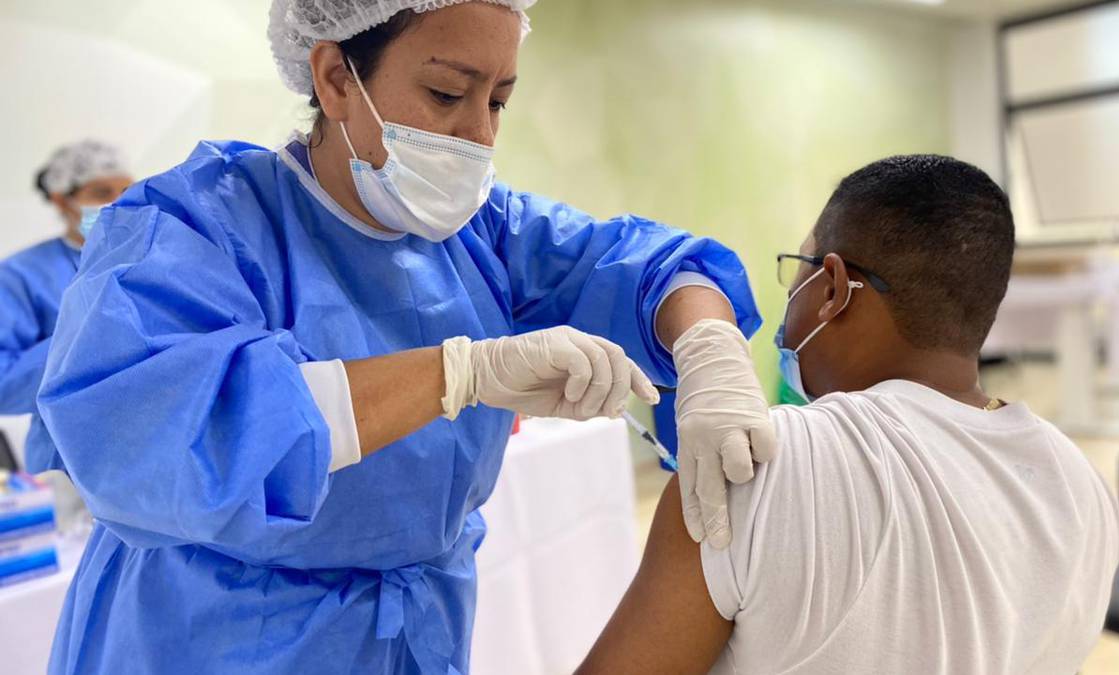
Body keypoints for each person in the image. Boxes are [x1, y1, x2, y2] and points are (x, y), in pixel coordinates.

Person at [35, 1, 778, 673]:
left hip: (416, 633)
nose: (480, 135)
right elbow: (168, 432)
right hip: (212, 636)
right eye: (448, 95)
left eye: (500, 101)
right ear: (333, 79)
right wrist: (457, 374)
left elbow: (656, 265)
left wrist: (710, 355)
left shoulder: (486, 233)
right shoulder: (196, 226)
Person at [579, 155, 1119, 675]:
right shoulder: (1084, 488)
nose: (788, 299)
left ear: (834, 288)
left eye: (798, 269)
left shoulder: (753, 468)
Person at [0, 140, 133, 417]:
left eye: (125, 191)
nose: (117, 202)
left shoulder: (151, 260)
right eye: (101, 192)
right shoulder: (21, 274)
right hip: (64, 446)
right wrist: (83, 345)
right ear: (62, 199)